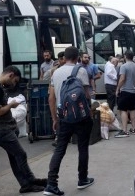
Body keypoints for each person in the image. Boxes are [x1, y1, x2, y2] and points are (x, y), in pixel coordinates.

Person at [0, 66, 47, 194]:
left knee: (14, 156)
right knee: (20, 154)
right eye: (15, 81)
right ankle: (29, 182)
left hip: (2, 128)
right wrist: (11, 105)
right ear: (10, 75)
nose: (14, 84)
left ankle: (28, 182)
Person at [44, 46, 94, 195]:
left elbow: (51, 98)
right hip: (81, 118)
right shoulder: (81, 71)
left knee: (59, 149)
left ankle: (51, 184)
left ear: (64, 58)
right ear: (78, 57)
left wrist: (55, 118)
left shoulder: (56, 72)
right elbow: (86, 96)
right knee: (82, 147)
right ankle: (82, 179)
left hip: (63, 117)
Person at [115, 50, 135, 138]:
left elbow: (122, 78)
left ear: (125, 56)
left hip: (125, 90)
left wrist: (118, 88)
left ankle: (124, 130)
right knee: (132, 109)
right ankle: (133, 129)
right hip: (134, 90)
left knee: (123, 110)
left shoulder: (124, 66)